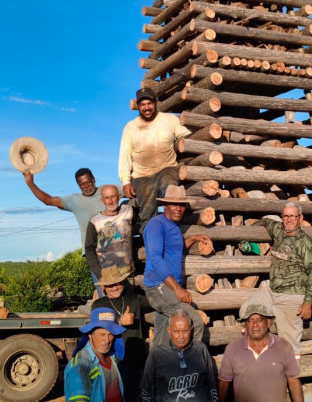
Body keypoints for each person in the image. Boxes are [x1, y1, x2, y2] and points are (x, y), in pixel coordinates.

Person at [142, 185, 212, 346]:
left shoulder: (173, 225)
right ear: (164, 205)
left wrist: (193, 239)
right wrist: (177, 289)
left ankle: (156, 362)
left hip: (167, 287)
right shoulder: (156, 225)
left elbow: (174, 248)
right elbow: (155, 259)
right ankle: (192, 360)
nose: (178, 209)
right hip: (158, 286)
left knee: (161, 338)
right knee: (194, 322)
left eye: (181, 205)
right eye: (174, 204)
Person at [118, 88, 191, 225]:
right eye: (142, 104)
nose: (146, 107)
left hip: (167, 168)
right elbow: (124, 156)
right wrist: (125, 182)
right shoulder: (130, 127)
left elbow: (187, 135)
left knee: (170, 194)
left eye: (149, 103)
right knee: (147, 212)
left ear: (155, 103)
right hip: (142, 175)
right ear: (138, 106)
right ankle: (149, 236)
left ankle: (171, 230)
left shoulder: (169, 120)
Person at [256, 202, 312, 359]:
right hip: (272, 292)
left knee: (289, 347)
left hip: (292, 296)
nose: (289, 219)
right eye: (286, 216)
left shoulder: (305, 242)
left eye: (292, 216)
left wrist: (308, 301)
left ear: (300, 218)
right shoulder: (278, 229)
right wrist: (247, 235)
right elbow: (265, 222)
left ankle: (291, 373)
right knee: (247, 309)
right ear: (282, 217)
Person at [91, 267, 144, 402]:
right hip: (111, 362)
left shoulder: (135, 299)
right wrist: (120, 322)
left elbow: (157, 304)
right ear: (104, 287)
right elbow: (99, 327)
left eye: (117, 283)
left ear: (123, 283)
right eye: (110, 285)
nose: (114, 288)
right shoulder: (99, 305)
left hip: (135, 362)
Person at [23, 167, 101, 252]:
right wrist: (30, 184)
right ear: (78, 185)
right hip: (93, 250)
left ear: (94, 180)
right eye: (82, 184)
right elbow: (48, 200)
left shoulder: (107, 191)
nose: (86, 186)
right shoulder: (74, 200)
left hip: (111, 246)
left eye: (88, 182)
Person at [84, 184, 134, 294]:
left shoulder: (128, 210)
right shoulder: (95, 221)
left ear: (119, 197)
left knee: (129, 302)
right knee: (109, 303)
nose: (110, 201)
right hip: (107, 275)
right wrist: (100, 275)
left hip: (127, 272)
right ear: (102, 200)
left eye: (113, 197)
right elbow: (89, 250)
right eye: (107, 198)